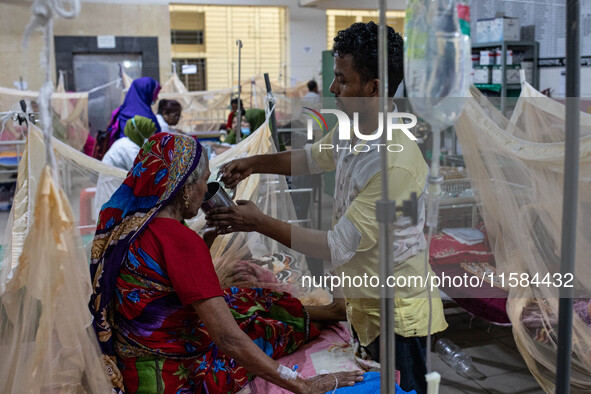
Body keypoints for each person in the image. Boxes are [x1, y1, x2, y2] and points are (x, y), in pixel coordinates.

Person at [206, 22, 447, 394]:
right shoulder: (355, 128)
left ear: (374, 88)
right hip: (364, 301)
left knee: (402, 387)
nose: (333, 89)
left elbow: (337, 245)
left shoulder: (394, 163)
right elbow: (311, 159)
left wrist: (256, 221)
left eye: (342, 80)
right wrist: (255, 163)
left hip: (397, 314)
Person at [89, 132, 363, 393]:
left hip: (132, 362)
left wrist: (206, 239)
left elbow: (170, 283)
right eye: (204, 181)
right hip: (177, 376)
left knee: (245, 299)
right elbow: (228, 339)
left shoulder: (125, 225)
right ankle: (323, 316)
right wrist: (304, 385)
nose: (205, 190)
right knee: (264, 324)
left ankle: (328, 312)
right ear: (185, 188)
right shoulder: (180, 240)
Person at [93, 115, 157, 219]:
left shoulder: (125, 143)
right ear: (141, 133)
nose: (150, 140)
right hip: (113, 194)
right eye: (149, 135)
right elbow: (144, 174)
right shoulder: (129, 149)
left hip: (116, 193)